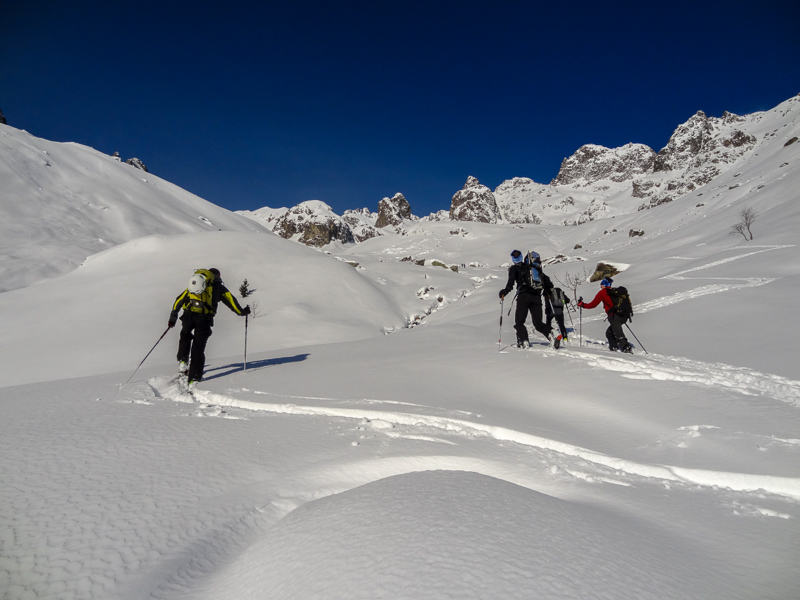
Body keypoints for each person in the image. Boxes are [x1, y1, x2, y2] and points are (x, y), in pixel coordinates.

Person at [168, 267, 250, 385]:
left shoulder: (198, 283)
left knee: (185, 337)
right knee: (198, 348)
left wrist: (173, 317)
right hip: (204, 319)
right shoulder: (219, 287)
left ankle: (182, 361)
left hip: (188, 316)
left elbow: (179, 299)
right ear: (218, 276)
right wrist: (243, 312)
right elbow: (231, 302)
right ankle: (194, 378)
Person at [499, 250, 555, 348]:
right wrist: (547, 292)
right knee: (538, 323)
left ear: (513, 259)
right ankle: (551, 333)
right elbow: (547, 281)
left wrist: (504, 292)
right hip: (537, 297)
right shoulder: (533, 268)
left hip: (523, 297)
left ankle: (523, 341)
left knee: (519, 322)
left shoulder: (515, 268)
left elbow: (510, 283)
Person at [577, 277, 632, 353]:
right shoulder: (614, 291)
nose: (600, 285)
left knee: (619, 334)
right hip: (623, 316)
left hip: (614, 317)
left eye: (601, 284)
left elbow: (593, 304)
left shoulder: (603, 293)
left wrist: (582, 305)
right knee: (609, 333)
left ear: (604, 284)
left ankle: (626, 349)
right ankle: (614, 348)